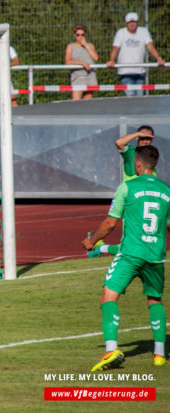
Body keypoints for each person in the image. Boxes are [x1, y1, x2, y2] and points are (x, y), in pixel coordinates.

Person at [82, 145, 169, 370]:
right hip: (156, 256)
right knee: (154, 300)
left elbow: (111, 223)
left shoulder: (127, 187)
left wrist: (92, 241)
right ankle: (159, 355)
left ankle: (111, 350)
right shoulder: (167, 191)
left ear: (138, 164)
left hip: (130, 255)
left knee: (107, 297)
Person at [89, 125, 157, 258]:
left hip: (145, 200)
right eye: (142, 137)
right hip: (131, 198)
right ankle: (99, 247)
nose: (145, 141)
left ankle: (100, 248)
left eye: (148, 138)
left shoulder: (151, 156)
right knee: (135, 240)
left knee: (141, 240)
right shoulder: (131, 152)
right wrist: (137, 133)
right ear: (137, 137)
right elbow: (119, 142)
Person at [107, 12, 165, 97]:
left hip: (139, 72)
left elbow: (150, 47)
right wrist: (111, 61)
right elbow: (115, 48)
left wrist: (158, 58)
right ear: (126, 23)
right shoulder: (121, 33)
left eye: (134, 22)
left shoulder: (143, 32)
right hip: (125, 72)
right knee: (130, 97)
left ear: (137, 22)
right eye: (130, 22)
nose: (132, 24)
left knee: (139, 97)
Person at [65, 25, 98, 100]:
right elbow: (67, 61)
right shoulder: (71, 46)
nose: (80, 37)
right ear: (74, 36)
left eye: (82, 35)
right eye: (78, 35)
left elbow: (95, 58)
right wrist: (82, 63)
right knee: (76, 102)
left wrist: (86, 45)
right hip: (78, 77)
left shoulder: (90, 45)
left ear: (85, 35)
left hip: (90, 76)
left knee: (88, 102)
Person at [0, 34, 20, 107]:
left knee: (13, 102)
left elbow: (16, 61)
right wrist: (0, 64)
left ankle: (14, 117)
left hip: (5, 79)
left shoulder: (9, 48)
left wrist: (4, 65)